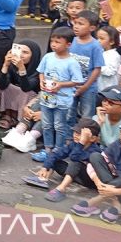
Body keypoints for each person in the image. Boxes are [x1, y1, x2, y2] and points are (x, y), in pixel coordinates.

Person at [34, 27, 83, 158]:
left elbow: (77, 81)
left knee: (60, 126)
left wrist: (61, 84)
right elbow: (41, 71)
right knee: (46, 125)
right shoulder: (48, 57)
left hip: (62, 100)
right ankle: (48, 149)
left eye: (58, 42)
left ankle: (58, 150)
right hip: (46, 98)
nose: (54, 45)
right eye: (52, 41)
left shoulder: (72, 62)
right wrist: (41, 81)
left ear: (68, 44)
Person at [27, 119, 102, 202]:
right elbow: (55, 154)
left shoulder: (95, 151)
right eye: (75, 132)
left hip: (88, 179)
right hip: (75, 174)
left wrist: (81, 143)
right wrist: (45, 167)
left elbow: (74, 157)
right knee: (55, 159)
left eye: (80, 134)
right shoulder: (74, 144)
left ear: (92, 138)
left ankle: (61, 189)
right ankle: (43, 178)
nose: (75, 135)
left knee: (75, 163)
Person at [0, 40, 41, 134]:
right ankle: (8, 115)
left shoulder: (38, 70)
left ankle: (21, 121)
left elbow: (26, 87)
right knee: (6, 87)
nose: (21, 55)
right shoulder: (13, 66)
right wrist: (5, 65)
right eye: (19, 51)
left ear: (33, 55)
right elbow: (1, 85)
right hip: (16, 99)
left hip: (31, 102)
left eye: (25, 52)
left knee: (25, 92)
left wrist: (22, 69)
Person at [69, 10, 104, 124]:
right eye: (76, 23)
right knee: (69, 113)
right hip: (70, 85)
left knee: (86, 116)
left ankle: (84, 138)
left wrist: (85, 86)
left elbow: (97, 69)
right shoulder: (71, 41)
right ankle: (68, 138)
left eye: (81, 24)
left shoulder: (95, 46)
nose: (76, 26)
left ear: (92, 28)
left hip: (88, 88)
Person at [97, 25, 121, 92]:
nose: (98, 41)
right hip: (98, 87)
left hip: (107, 89)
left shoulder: (114, 55)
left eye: (101, 38)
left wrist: (97, 66)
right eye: (97, 38)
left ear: (111, 42)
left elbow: (110, 71)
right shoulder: (100, 52)